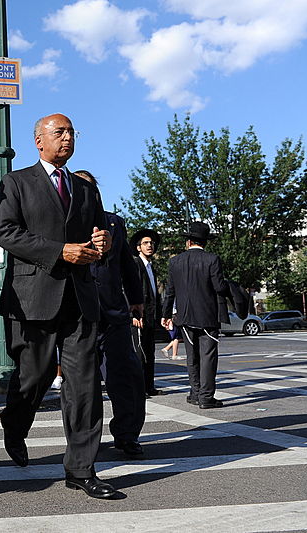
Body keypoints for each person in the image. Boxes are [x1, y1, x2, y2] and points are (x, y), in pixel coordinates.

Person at [0, 113, 116, 499]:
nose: (67, 138)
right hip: (35, 298)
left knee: (84, 385)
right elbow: (6, 232)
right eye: (58, 132)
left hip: (80, 299)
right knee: (35, 377)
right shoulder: (16, 182)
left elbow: (100, 232)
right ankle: (14, 424)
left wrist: (103, 243)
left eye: (71, 132)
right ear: (39, 140)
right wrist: (59, 251)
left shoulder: (85, 189)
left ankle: (81, 468)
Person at [76, 170, 146, 457]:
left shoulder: (115, 223)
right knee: (84, 385)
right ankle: (86, 442)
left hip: (114, 312)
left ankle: (127, 434)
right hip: (79, 315)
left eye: (90, 189)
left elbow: (126, 265)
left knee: (127, 376)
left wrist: (136, 298)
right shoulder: (64, 224)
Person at [161, 221, 230, 409]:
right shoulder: (212, 259)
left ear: (188, 241)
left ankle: (195, 392)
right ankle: (206, 397)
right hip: (207, 316)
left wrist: (165, 314)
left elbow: (170, 291)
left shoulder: (175, 261)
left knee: (192, 357)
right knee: (208, 356)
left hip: (183, 316)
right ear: (205, 242)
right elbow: (219, 287)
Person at [131, 229, 164, 397]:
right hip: (139, 317)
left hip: (151, 317)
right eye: (145, 243)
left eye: (151, 243)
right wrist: (134, 315)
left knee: (149, 353)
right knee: (139, 355)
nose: (150, 245)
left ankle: (149, 386)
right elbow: (130, 290)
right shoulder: (135, 264)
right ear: (138, 247)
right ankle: (139, 389)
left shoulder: (151, 266)